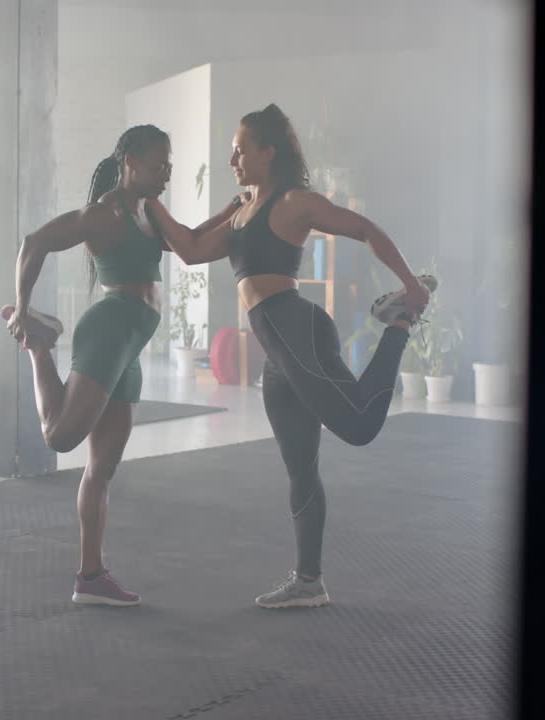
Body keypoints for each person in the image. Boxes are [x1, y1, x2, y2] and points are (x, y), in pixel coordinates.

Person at [145, 103, 436, 609]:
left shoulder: (294, 201)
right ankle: (309, 582)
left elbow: (365, 228)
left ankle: (400, 323)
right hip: (275, 347)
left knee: (361, 426)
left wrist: (410, 286)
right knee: (301, 464)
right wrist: (150, 202)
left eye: (240, 151)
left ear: (268, 152)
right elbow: (189, 248)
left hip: (294, 328)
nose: (232, 159)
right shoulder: (242, 210)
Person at [1, 124, 243, 607]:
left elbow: (191, 243)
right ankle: (40, 347)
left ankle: (90, 577)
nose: (166, 173)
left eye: (169, 164)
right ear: (130, 160)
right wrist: (23, 309)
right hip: (109, 332)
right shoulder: (104, 214)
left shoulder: (148, 209)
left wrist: (232, 211)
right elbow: (34, 243)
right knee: (60, 437)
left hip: (130, 344)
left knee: (103, 467)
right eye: (159, 164)